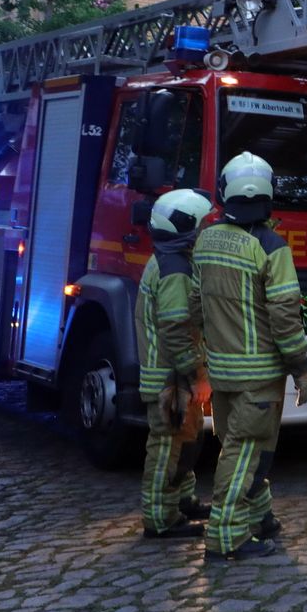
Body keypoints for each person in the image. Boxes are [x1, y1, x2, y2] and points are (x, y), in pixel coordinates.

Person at [195, 152, 307, 562]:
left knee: (244, 448)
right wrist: (300, 368)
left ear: (225, 191)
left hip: (222, 372)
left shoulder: (206, 240)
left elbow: (196, 304)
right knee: (245, 453)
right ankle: (227, 537)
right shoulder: (271, 247)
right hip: (260, 375)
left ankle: (261, 519)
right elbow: (284, 316)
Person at [136, 188, 214, 539]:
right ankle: (160, 519)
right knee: (167, 445)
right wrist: (197, 373)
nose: (204, 232)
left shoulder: (169, 260)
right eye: (201, 225)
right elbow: (175, 329)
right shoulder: (174, 270)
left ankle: (182, 500)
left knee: (188, 438)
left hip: (173, 374)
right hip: (170, 377)